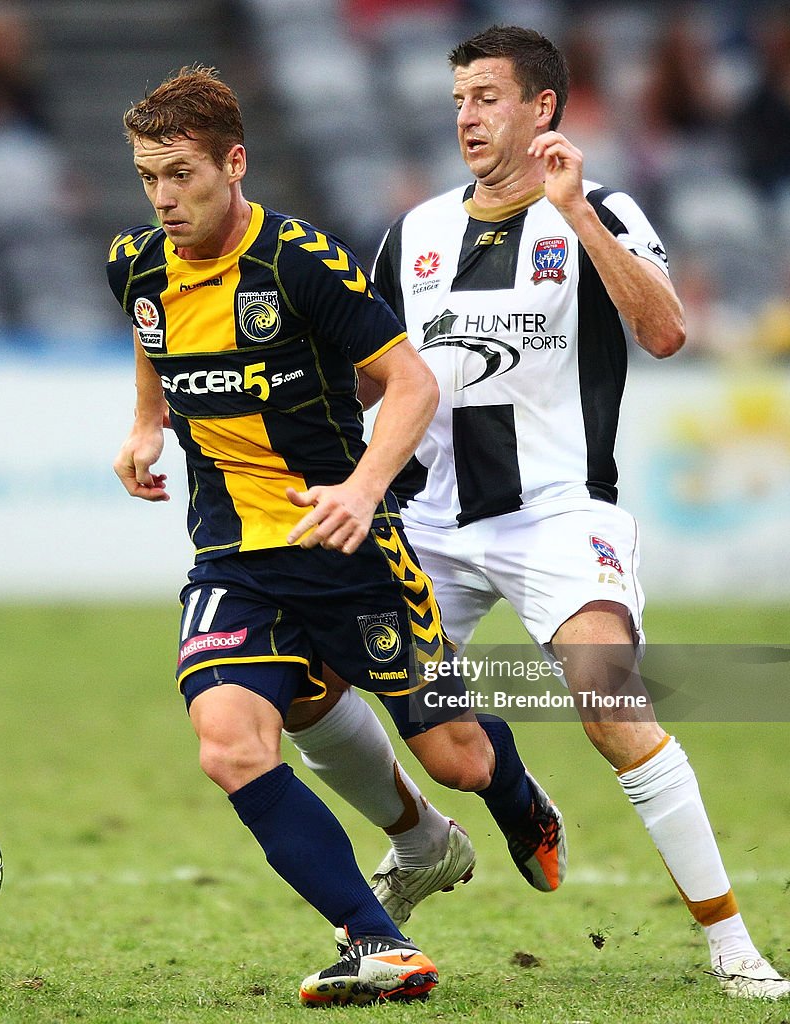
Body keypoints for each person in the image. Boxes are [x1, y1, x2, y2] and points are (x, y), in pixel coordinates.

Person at [108, 65, 563, 1007]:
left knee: (457, 758)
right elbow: (152, 333)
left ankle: (521, 806)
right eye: (149, 176)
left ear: (234, 164)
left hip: (350, 553)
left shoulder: (300, 262)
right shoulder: (136, 263)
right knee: (229, 744)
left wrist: (361, 489)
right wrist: (146, 422)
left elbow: (412, 384)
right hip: (232, 558)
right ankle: (377, 942)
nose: (163, 199)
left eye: (181, 175)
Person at [357, 24, 790, 1001]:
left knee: (609, 699)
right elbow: (366, 379)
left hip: (559, 513)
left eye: (488, 96)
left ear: (542, 108)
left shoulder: (601, 211)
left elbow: (668, 330)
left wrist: (579, 221)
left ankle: (731, 946)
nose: (467, 115)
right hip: (430, 520)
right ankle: (439, 834)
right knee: (331, 690)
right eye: (460, 97)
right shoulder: (413, 234)